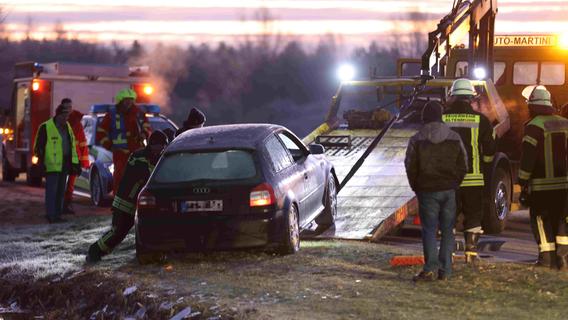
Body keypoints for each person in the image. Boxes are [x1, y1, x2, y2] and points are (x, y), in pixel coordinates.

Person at [405, 101, 468, 281]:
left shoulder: (416, 139)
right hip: (449, 190)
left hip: (427, 191)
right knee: (448, 230)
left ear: (425, 117)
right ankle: (446, 270)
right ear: (441, 116)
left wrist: (417, 186)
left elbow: (410, 166)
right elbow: (463, 165)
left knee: (429, 230)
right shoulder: (454, 137)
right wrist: (454, 183)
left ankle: (430, 268)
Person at [86, 131, 168, 263]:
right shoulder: (138, 157)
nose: (162, 150)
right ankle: (94, 251)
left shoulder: (154, 158)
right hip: (124, 202)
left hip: (135, 203)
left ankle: (151, 255)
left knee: (139, 231)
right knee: (117, 232)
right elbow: (146, 176)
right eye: (160, 146)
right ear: (153, 145)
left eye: (164, 147)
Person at [443, 78, 496, 263]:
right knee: (473, 215)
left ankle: (447, 254)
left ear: (452, 96)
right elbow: (490, 151)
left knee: (448, 215)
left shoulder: (441, 119)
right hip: (473, 178)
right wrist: (484, 168)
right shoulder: (482, 121)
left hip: (448, 180)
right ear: (471, 98)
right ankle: (471, 255)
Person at [518, 87, 568, 269]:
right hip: (564, 185)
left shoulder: (533, 126)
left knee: (541, 220)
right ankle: (562, 259)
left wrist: (522, 181)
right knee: (562, 220)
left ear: (532, 106)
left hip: (541, 186)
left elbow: (527, 158)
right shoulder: (565, 123)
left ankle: (546, 259)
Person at [33, 100, 80, 223]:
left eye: (67, 116)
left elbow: (72, 147)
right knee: (52, 192)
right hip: (51, 165)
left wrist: (75, 163)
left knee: (60, 192)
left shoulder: (68, 127)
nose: (66, 118)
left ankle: (57, 215)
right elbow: (38, 147)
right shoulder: (46, 127)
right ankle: (51, 215)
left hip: (64, 164)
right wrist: (41, 163)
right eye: (64, 115)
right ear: (58, 115)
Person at [96, 88, 151, 193]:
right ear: (120, 101)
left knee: (138, 178)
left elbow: (147, 127)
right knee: (120, 178)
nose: (129, 102)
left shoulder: (139, 113)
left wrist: (145, 133)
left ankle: (135, 203)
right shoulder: (112, 114)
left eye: (131, 100)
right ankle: (118, 204)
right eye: (126, 100)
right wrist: (109, 145)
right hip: (120, 153)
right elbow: (101, 132)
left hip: (137, 151)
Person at [63, 106, 90, 214]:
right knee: (69, 185)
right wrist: (84, 162)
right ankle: (66, 204)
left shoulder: (61, 124)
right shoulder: (77, 124)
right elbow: (83, 144)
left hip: (64, 159)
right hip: (74, 160)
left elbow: (82, 143)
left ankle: (62, 205)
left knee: (62, 184)